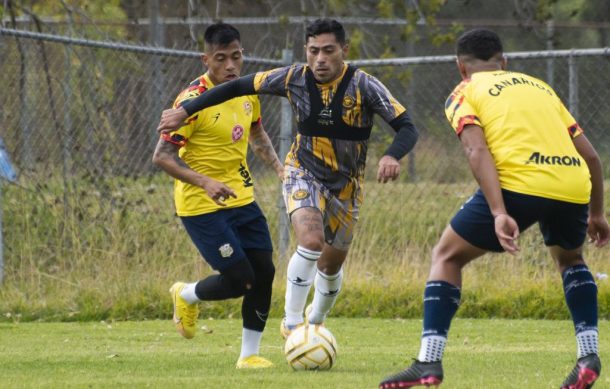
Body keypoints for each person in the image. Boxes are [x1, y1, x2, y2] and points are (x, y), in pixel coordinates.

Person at [157, 19, 419, 339]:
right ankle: (293, 323)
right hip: (302, 172)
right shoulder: (293, 77)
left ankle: (316, 318)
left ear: (344, 51)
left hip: (346, 185)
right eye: (313, 51)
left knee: (331, 267)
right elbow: (238, 86)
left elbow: (407, 126)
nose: (320, 58)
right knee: (310, 242)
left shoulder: (365, 85)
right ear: (305, 51)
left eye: (328, 51)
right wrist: (185, 110)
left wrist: (392, 154)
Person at [380, 28, 609, 388]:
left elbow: (477, 150)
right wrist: (598, 213)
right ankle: (588, 354)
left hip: (519, 184)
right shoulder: (540, 87)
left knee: (447, 256)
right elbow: (592, 156)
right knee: (571, 261)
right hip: (572, 182)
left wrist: (500, 211)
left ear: (460, 67)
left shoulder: (463, 92)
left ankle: (428, 362)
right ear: (504, 62)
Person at [152, 22, 283, 369]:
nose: (230, 66)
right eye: (221, 59)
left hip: (242, 197)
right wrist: (206, 182)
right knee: (241, 279)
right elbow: (162, 157)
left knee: (265, 271)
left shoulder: (246, 90)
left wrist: (281, 169)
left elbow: (257, 136)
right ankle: (186, 294)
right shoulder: (190, 102)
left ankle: (249, 355)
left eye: (236, 57)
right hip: (201, 205)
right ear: (205, 59)